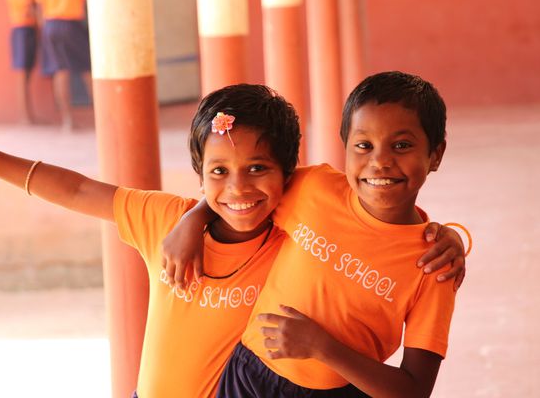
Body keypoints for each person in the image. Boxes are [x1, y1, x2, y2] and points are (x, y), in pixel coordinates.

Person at [0, 81, 463, 397]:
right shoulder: (164, 221)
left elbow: (367, 230)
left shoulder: (291, 234)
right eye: (217, 172)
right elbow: (79, 188)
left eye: (259, 169)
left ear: (289, 175)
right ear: (198, 174)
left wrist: (453, 239)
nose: (239, 188)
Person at [162, 71, 469, 397]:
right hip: (249, 378)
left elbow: (414, 390)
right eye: (363, 145)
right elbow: (248, 192)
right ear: (345, 147)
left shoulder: (435, 265)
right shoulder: (314, 189)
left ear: (435, 154)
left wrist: (324, 348)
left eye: (402, 145)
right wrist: (193, 219)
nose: (380, 162)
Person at [35, 0, 93, 131]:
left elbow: (39, 7)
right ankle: (102, 116)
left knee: (60, 70)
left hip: (50, 25)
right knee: (87, 68)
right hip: (71, 23)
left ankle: (68, 121)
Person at [6, 0, 39, 124]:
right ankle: (25, 117)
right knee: (23, 75)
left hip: (26, 29)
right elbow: (28, 11)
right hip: (22, 29)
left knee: (26, 76)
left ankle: (28, 116)